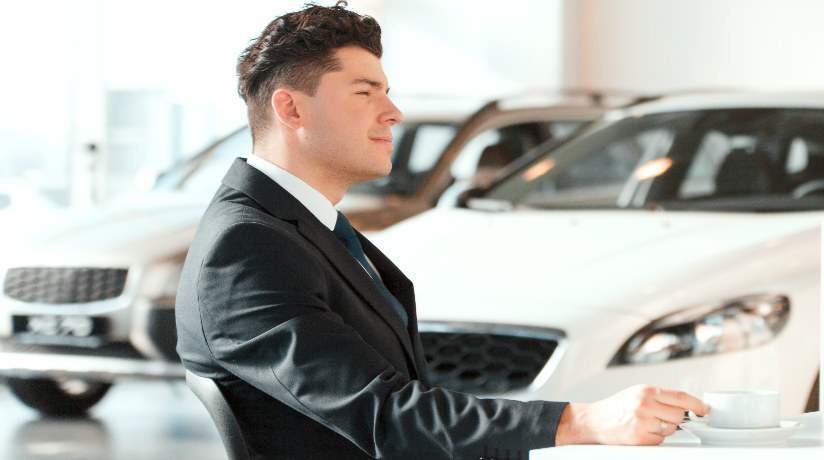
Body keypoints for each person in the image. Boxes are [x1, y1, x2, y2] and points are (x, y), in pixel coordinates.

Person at [174, 3, 706, 458]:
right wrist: (581, 422)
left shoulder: (300, 226)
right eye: (365, 93)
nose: (393, 113)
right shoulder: (246, 247)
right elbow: (382, 414)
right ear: (290, 107)